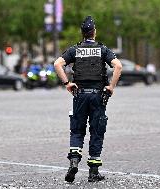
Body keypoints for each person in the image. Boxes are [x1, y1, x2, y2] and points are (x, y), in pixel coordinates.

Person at [54, 16, 122, 182]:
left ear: (82, 33)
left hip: (80, 94)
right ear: (94, 33)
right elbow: (118, 66)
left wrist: (67, 83)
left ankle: (75, 160)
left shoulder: (75, 50)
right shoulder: (102, 49)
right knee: (96, 131)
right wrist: (111, 87)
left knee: (77, 129)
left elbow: (57, 64)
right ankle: (93, 172)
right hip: (98, 95)